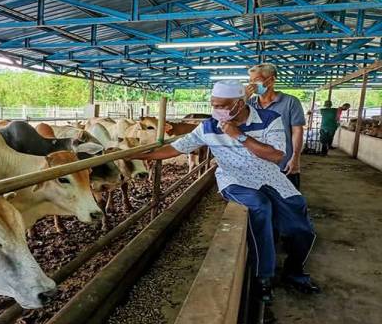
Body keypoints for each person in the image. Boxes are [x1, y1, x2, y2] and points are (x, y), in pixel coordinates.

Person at [131, 80, 320, 301]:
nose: (216, 110)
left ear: (239, 104)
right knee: (260, 207)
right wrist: (136, 155)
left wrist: (239, 136)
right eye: (214, 105)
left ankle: (294, 271)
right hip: (234, 179)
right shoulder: (207, 127)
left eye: (222, 105)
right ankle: (263, 277)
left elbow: (277, 155)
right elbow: (174, 149)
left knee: (301, 224)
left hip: (270, 177)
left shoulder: (270, 120)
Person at [246, 64, 305, 190]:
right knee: (261, 205)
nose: (252, 84)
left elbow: (297, 131)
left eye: (256, 80)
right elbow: (228, 119)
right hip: (255, 166)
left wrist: (295, 158)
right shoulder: (249, 104)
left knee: (288, 204)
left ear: (271, 80)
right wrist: (243, 98)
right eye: (250, 80)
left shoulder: (290, 102)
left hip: (283, 165)